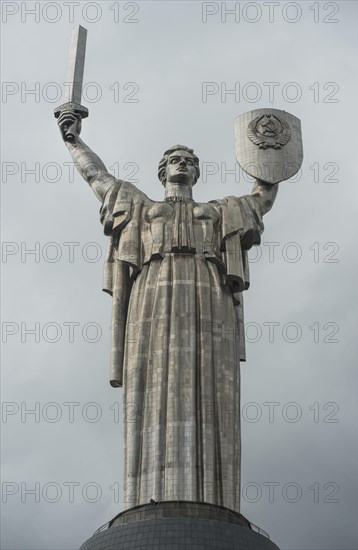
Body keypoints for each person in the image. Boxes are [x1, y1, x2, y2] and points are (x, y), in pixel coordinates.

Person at [57, 110, 278, 512]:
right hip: (153, 291)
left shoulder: (219, 210)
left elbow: (261, 198)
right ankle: (146, 497)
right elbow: (97, 178)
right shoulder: (141, 206)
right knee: (151, 377)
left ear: (196, 173)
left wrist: (271, 158)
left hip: (208, 290)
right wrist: (74, 141)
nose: (182, 163)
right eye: (175, 159)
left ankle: (212, 499)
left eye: (189, 161)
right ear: (163, 171)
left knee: (213, 380)